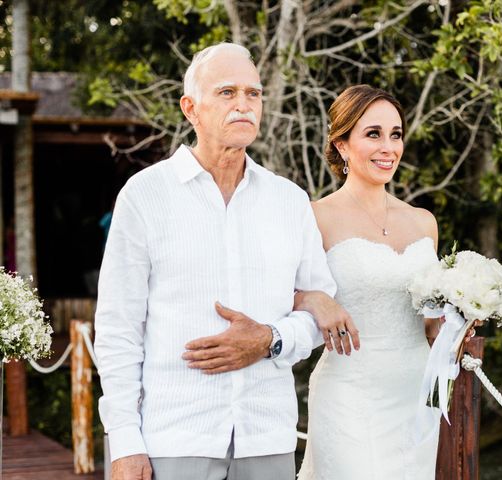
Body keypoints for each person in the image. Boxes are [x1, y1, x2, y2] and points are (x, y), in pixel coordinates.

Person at [94, 43, 345, 480]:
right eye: (227, 93)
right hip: (173, 439)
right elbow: (117, 330)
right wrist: (125, 443)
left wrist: (269, 339)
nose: (244, 105)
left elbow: (318, 308)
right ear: (191, 108)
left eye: (253, 94)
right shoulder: (145, 195)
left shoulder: (289, 200)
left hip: (267, 436)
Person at [296, 85, 475, 480]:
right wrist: (310, 298)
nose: (388, 146)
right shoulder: (314, 217)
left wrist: (460, 315)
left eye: (395, 134)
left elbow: (428, 324)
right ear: (342, 145)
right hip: (348, 392)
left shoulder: (423, 222)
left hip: (414, 392)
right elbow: (276, 295)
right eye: (373, 134)